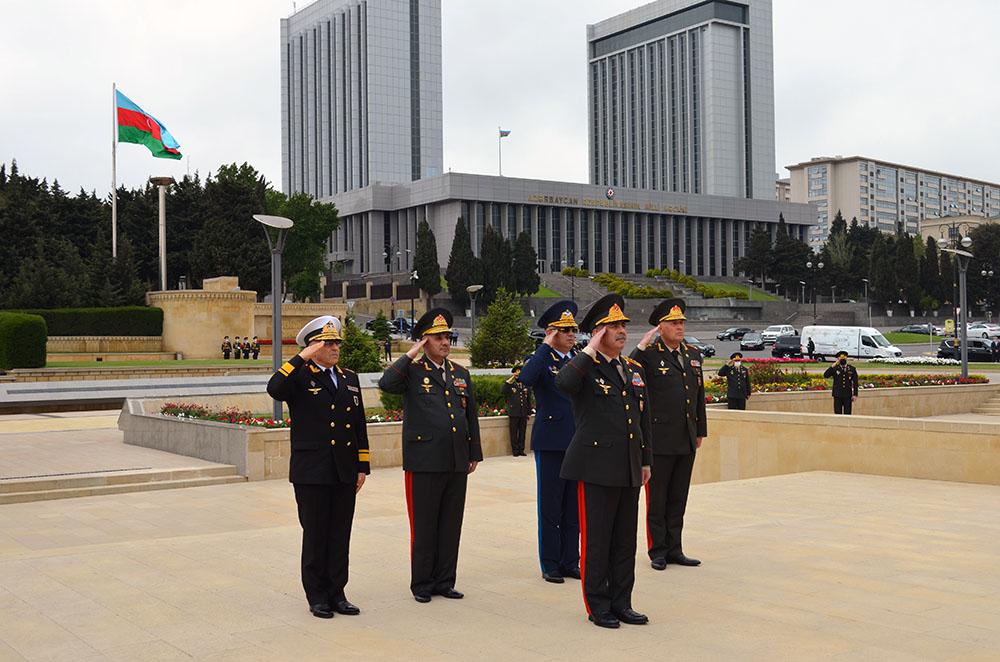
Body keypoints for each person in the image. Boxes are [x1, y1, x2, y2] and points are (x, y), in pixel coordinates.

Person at [557, 294, 652, 629]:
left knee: (625, 540)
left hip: (628, 466)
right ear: (597, 333)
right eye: (613, 326)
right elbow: (563, 383)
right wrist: (588, 350)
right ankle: (598, 606)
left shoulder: (633, 370)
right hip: (596, 467)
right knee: (598, 541)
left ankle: (622, 602)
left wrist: (645, 461)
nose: (622, 330)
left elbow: (643, 421)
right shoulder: (584, 368)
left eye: (623, 324)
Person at [266, 316, 370, 619]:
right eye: (328, 343)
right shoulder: (299, 376)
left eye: (337, 342)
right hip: (312, 470)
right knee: (316, 534)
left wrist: (362, 465)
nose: (335, 347)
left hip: (344, 469)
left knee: (340, 533)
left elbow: (358, 425)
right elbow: (274, 388)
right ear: (314, 346)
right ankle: (317, 596)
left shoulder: (349, 377)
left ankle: (337, 592)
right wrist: (301, 358)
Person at [378, 308, 483, 604]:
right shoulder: (412, 371)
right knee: (424, 525)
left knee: (451, 524)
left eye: (447, 336)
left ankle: (445, 580)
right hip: (424, 461)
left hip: (455, 460)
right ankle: (422, 583)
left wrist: (473, 451)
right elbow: (386, 383)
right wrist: (411, 353)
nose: (445, 342)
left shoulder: (460, 374)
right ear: (424, 341)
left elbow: (470, 415)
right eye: (438, 337)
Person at [631, 298, 706, 571]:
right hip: (660, 439)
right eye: (674, 323)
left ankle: (675, 548)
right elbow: (630, 371)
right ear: (660, 327)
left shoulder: (693, 354)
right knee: (658, 498)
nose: (680, 327)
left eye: (682, 322)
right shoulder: (650, 355)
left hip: (686, 437)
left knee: (678, 497)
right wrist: (640, 346)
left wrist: (700, 431)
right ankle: (658, 550)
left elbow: (698, 397)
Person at [518, 300, 580, 584]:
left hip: (578, 442)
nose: (571, 335)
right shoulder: (541, 360)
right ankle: (551, 563)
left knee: (573, 508)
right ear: (551, 332)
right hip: (552, 441)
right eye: (564, 330)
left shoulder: (577, 359)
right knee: (551, 506)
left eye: (574, 330)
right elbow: (526, 379)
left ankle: (571, 560)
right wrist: (545, 345)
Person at [501, 365, 531, 457]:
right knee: (513, 433)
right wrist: (513, 378)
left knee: (522, 432)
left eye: (520, 372)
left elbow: (528, 400)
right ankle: (515, 450)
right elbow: (503, 390)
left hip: (523, 412)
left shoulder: (525, 385)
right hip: (514, 412)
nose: (519, 375)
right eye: (517, 373)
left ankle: (521, 450)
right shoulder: (510, 385)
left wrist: (528, 412)